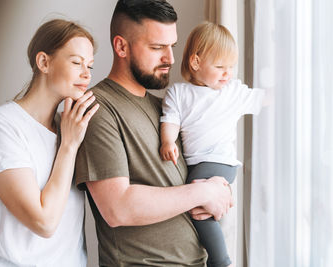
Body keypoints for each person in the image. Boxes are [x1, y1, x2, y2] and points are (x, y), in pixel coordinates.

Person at [75, 1, 233, 266]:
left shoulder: (166, 110)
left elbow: (198, 177)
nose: (170, 58)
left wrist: (221, 192)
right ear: (121, 46)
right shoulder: (98, 109)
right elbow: (117, 208)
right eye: (157, 47)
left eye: (171, 45)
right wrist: (204, 193)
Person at [0, 19, 99, 266]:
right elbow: (44, 222)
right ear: (44, 62)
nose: (87, 74)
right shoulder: (2, 124)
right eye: (76, 62)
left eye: (90, 66)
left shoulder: (70, 126)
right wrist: (69, 146)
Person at [159, 21, 265, 267]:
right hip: (199, 162)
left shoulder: (231, 92)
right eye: (220, 67)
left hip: (221, 161)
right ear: (196, 62)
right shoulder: (179, 93)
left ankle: (220, 260)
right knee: (200, 207)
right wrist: (167, 140)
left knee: (193, 198)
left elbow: (262, 98)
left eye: (231, 68)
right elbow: (171, 119)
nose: (227, 74)